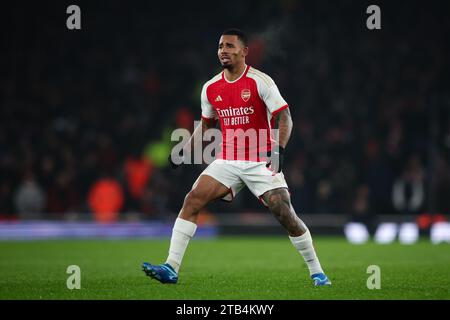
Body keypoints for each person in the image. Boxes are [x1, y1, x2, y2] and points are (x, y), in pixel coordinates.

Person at [142, 29, 331, 286]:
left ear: (244, 51)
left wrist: (278, 150)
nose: (223, 51)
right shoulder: (210, 88)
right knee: (193, 199)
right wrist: (184, 150)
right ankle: (171, 267)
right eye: (220, 46)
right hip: (228, 159)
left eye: (230, 46)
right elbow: (206, 126)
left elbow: (284, 117)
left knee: (283, 211)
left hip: (260, 159)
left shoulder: (260, 81)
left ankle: (317, 272)